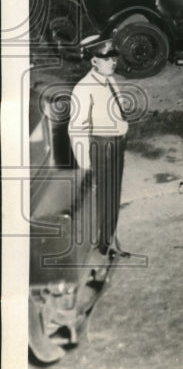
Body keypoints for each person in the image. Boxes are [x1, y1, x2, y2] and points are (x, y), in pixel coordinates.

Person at [69, 36, 132, 257]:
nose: (112, 62)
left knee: (113, 194)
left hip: (117, 144)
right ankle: (100, 247)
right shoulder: (83, 88)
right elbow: (76, 128)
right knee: (102, 198)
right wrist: (85, 165)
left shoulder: (109, 80)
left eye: (114, 58)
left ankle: (109, 241)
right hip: (101, 147)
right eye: (107, 59)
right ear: (93, 61)